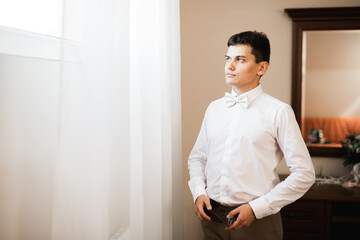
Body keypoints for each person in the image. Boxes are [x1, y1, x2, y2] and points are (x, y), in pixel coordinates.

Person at [187, 31, 315, 240]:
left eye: (240, 59)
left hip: (258, 223)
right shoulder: (214, 108)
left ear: (261, 67)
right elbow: (198, 158)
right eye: (228, 58)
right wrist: (199, 191)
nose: (230, 66)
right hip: (212, 218)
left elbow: (304, 173)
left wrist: (257, 208)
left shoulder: (278, 111)